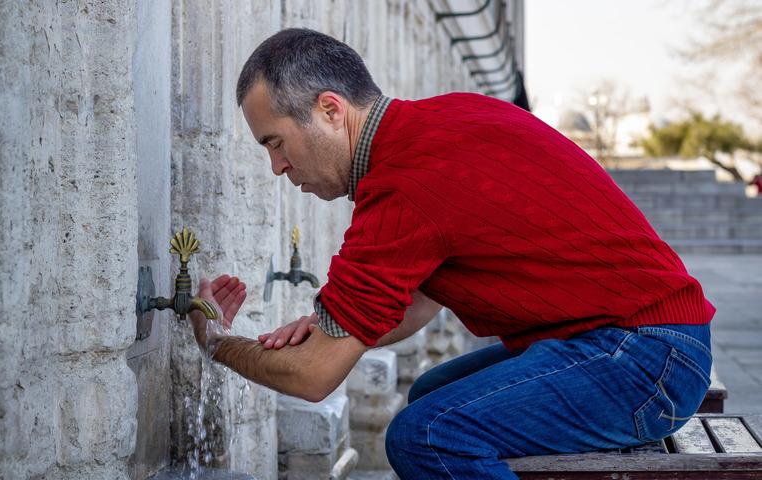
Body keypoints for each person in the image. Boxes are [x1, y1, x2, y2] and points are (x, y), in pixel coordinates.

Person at [190, 28, 715, 479]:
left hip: (645, 360)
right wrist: (328, 324)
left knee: (426, 435)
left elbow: (312, 378)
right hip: (642, 340)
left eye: (275, 143)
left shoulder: (403, 188)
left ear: (330, 110)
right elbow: (413, 302)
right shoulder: (441, 122)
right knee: (433, 392)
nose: (277, 168)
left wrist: (216, 342)